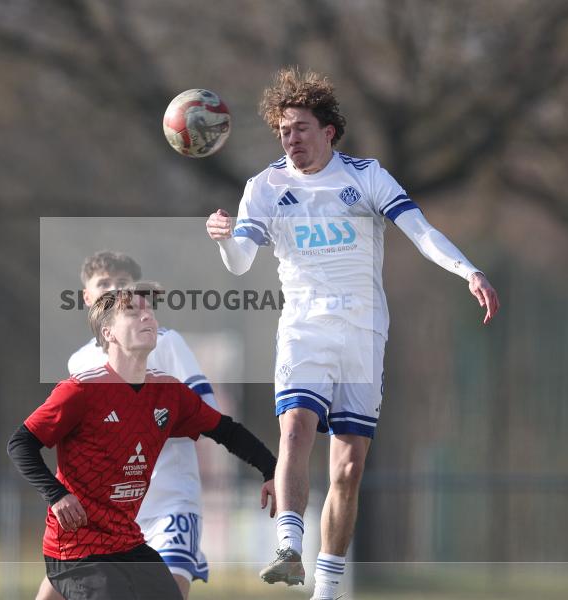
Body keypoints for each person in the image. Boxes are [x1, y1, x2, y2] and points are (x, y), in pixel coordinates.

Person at [205, 67, 500, 600]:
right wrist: (225, 238)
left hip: (363, 333)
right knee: (294, 429)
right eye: (283, 131)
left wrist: (469, 271)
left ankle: (329, 589)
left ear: (328, 131)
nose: (290, 139)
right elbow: (241, 263)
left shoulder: (366, 177)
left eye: (299, 128)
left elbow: (421, 231)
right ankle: (289, 548)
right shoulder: (265, 188)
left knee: (347, 468)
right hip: (304, 328)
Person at [8, 289, 278, 600]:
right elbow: (20, 443)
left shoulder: (168, 393)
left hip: (127, 542)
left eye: (149, 310)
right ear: (108, 333)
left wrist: (270, 469)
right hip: (77, 548)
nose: (147, 316)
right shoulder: (81, 390)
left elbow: (225, 430)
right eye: (133, 312)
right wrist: (57, 495)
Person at [34, 250, 221, 600]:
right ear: (87, 297)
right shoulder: (80, 361)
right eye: (103, 283)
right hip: (107, 516)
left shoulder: (164, 342)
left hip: (169, 504)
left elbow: (206, 410)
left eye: (122, 283)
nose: (113, 289)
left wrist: (150, 425)